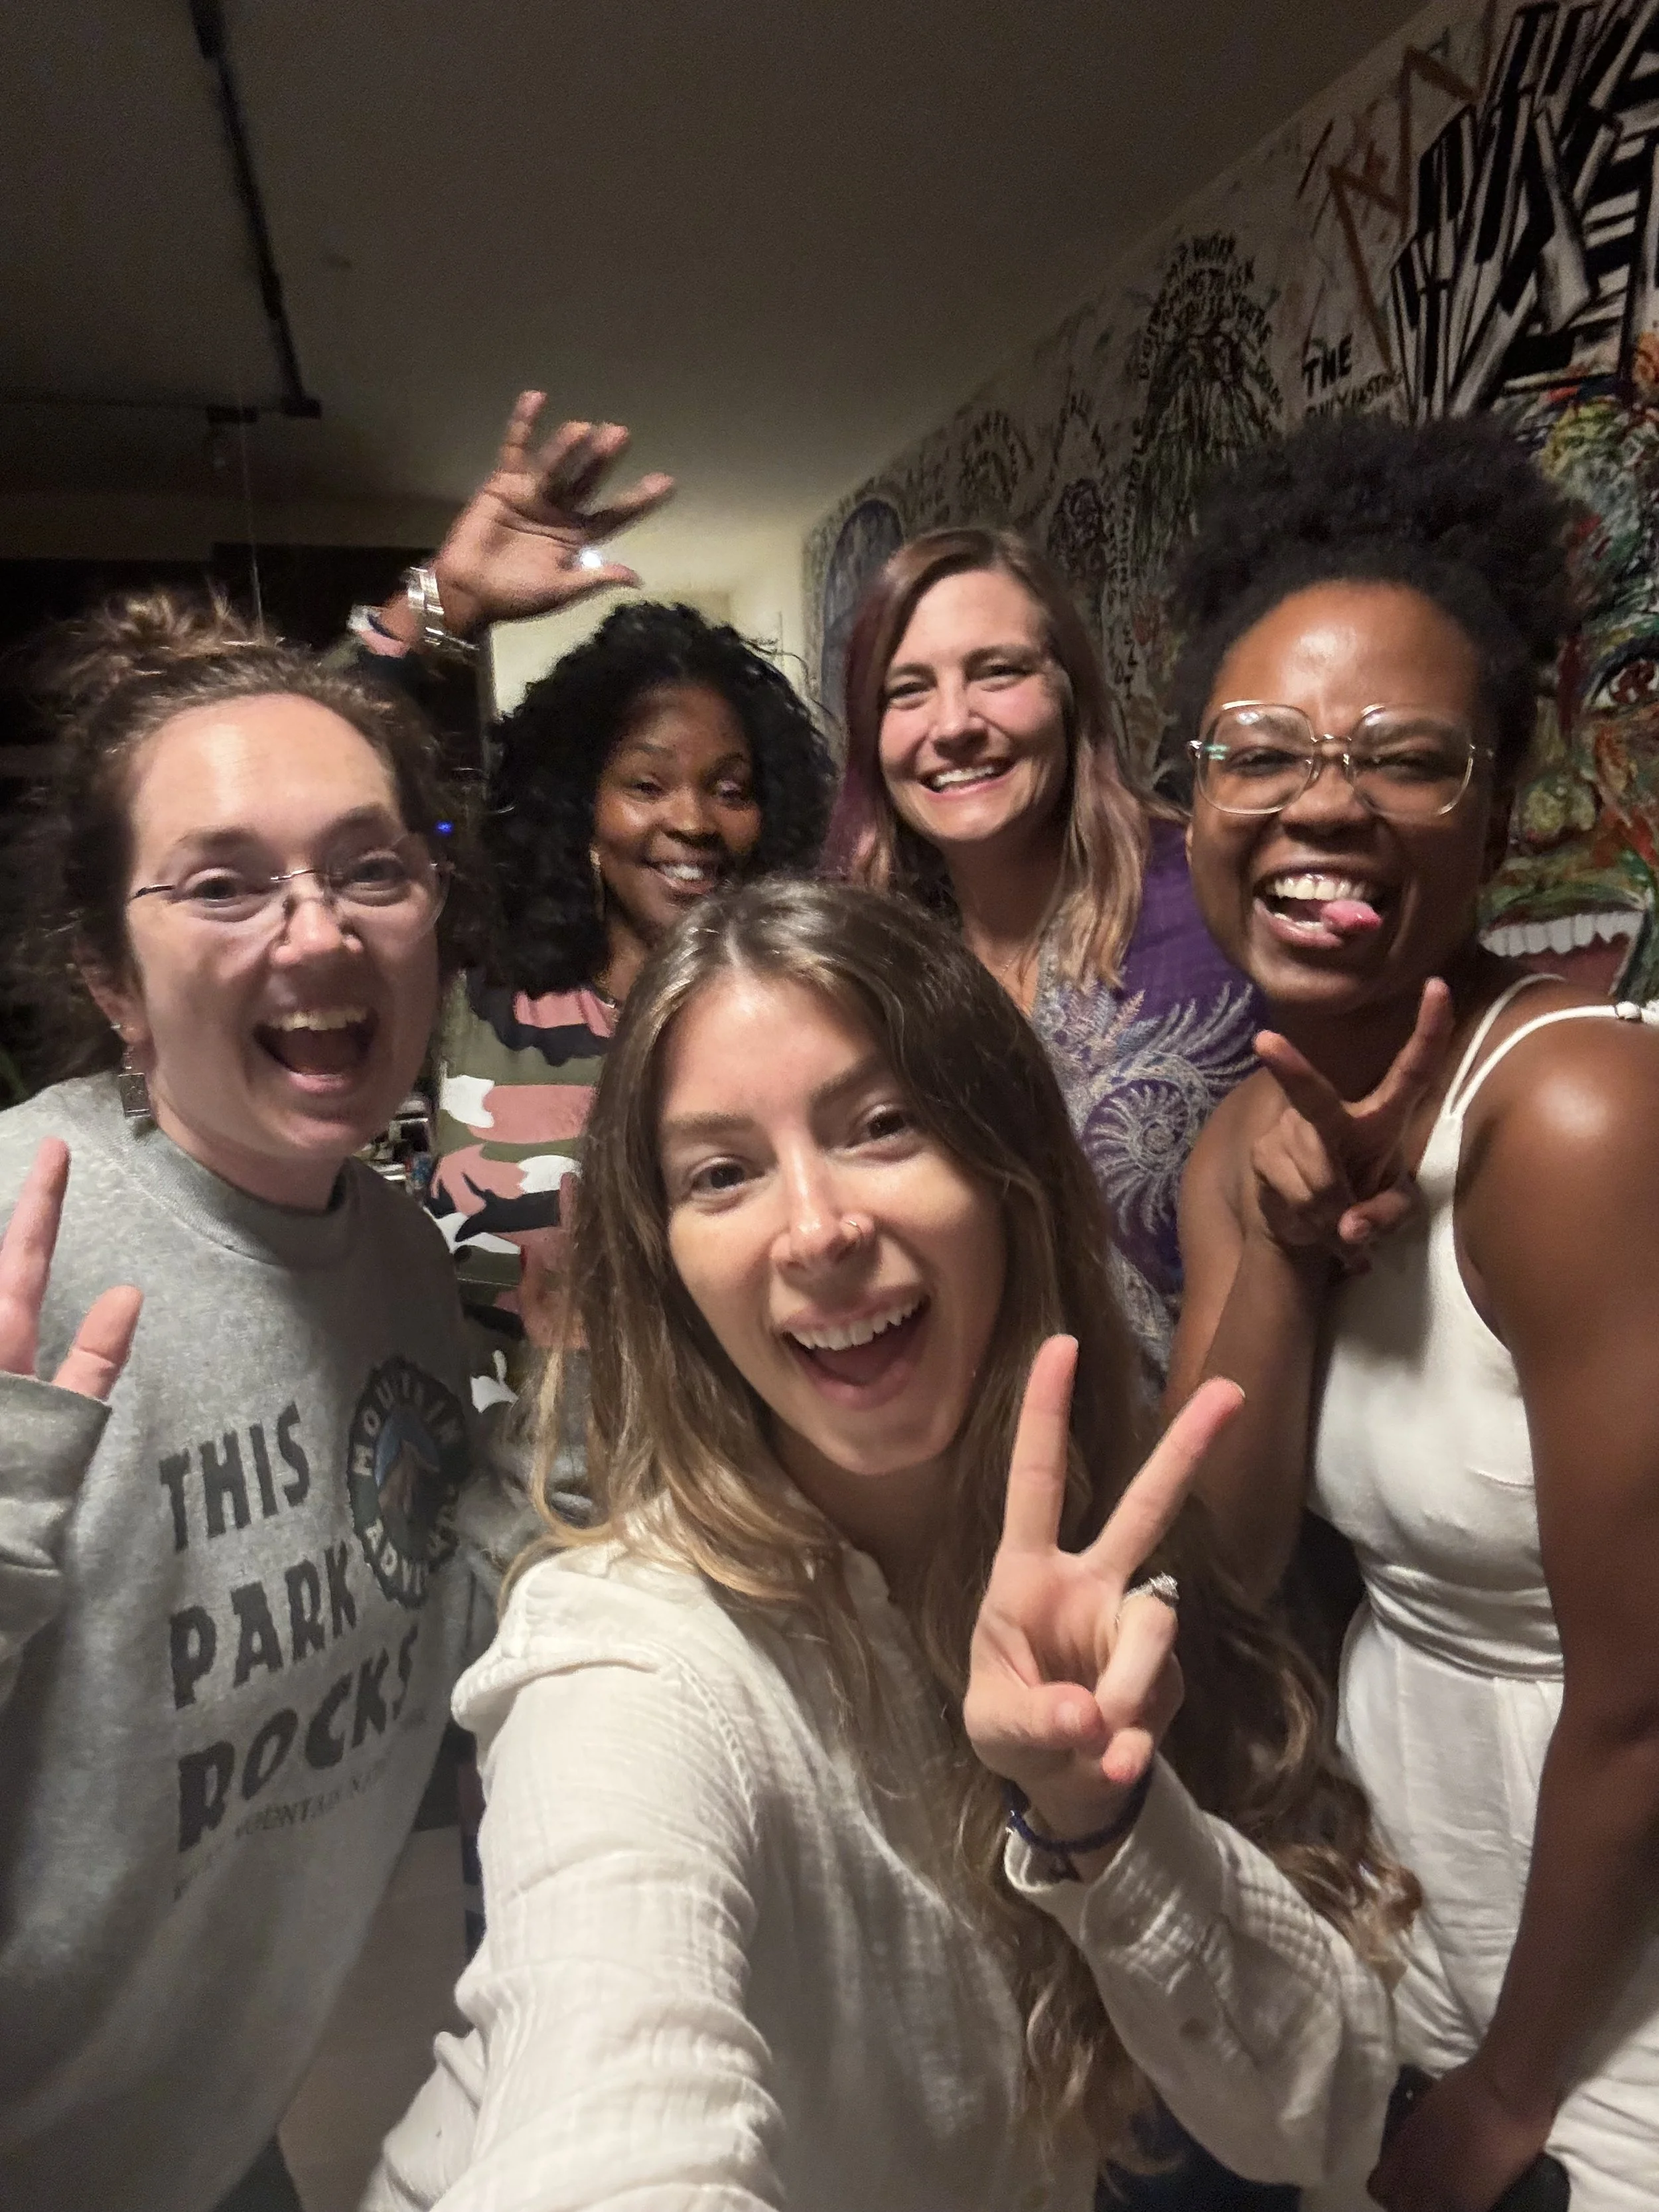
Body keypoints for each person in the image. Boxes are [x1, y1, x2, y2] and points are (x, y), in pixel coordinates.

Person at [366, 877, 1409, 2212]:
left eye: (880, 1126)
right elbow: (609, 2103)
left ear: (1007, 1170)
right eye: (721, 1172)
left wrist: (1101, 1816)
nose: (817, 1229)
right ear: (669, 1261)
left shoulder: (1092, 1568)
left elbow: (1319, 2113)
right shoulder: (623, 1653)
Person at [1169, 412, 1659, 2210]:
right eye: (1262, 751)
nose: (1322, 800)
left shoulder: (1579, 1112)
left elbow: (1642, 1693)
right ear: (1196, 798)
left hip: (1604, 2006)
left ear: (1498, 807)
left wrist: (1512, 2092)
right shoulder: (1237, 1134)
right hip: (1408, 1918)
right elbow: (1215, 1576)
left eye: (1406, 755)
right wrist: (1288, 1252)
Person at [0, 592, 498, 2212]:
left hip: (212, 2143)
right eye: (224, 886)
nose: (318, 931)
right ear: (113, 979)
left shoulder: (404, 1256)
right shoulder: (25, 1229)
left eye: (371, 868)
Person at [347, 395, 833, 1380]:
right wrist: (443, 605)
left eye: (730, 789)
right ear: (583, 807)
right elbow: (306, 783)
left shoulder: (803, 1011)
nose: (692, 821)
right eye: (646, 784)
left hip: (750, 1502)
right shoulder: (480, 993)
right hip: (492, 1504)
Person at [824, 527, 1263, 1379]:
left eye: (997, 672)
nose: (953, 725)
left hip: (1227, 1466)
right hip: (964, 1475)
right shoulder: (866, 964)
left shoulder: (1214, 897)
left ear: (1068, 691)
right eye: (906, 691)